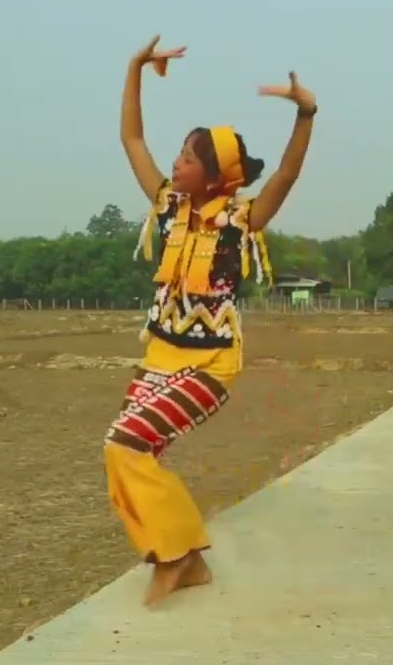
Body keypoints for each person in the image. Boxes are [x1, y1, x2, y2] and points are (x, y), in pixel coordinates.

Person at [105, 34, 318, 606]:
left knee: (127, 443)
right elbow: (131, 138)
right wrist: (134, 69)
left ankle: (175, 555)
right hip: (159, 356)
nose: (176, 162)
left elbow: (288, 176)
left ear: (216, 174)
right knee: (123, 451)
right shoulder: (167, 207)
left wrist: (306, 112)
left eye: (189, 158)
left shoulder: (242, 221)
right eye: (179, 153)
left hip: (209, 365)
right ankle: (185, 559)